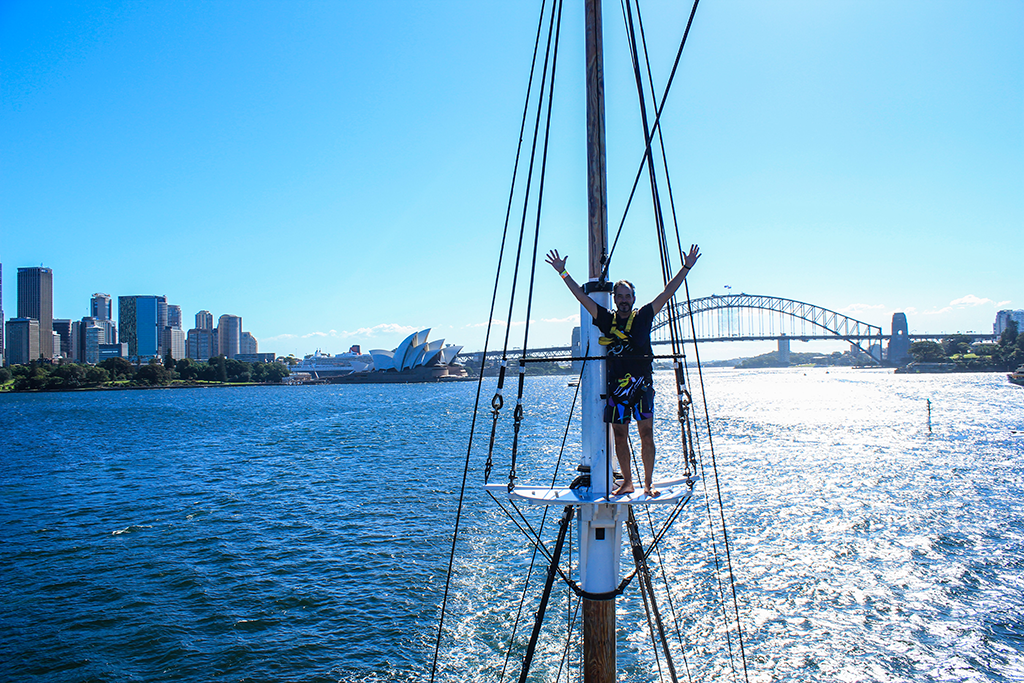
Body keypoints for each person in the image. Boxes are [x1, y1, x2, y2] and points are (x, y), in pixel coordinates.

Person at [545, 245, 700, 497]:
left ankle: (647, 484)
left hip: (642, 387)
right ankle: (627, 481)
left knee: (646, 434)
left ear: (633, 299)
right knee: (619, 435)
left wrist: (687, 267)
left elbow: (668, 292)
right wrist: (563, 273)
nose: (624, 300)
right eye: (620, 296)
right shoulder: (607, 319)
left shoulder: (644, 317)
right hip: (617, 388)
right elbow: (582, 298)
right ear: (615, 299)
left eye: (628, 296)